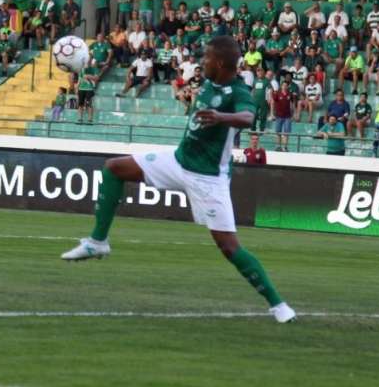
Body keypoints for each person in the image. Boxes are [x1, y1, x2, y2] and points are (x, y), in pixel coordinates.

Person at [60, 36, 296, 324]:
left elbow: (248, 117)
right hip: (178, 160)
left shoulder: (237, 90)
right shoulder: (209, 82)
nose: (202, 62)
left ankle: (279, 306)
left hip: (208, 178)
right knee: (114, 168)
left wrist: (222, 117)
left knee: (229, 247)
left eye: (207, 58)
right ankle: (98, 242)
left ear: (220, 63)